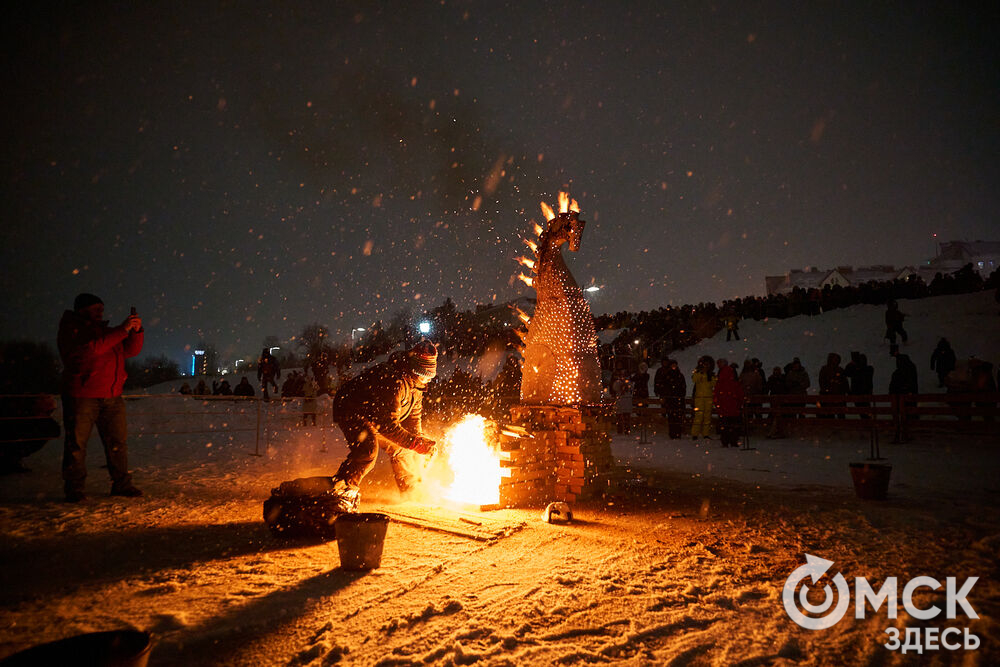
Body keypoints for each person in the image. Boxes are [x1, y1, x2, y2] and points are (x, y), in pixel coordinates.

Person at [327, 341, 439, 512]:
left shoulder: (417, 386)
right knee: (367, 451)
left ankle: (411, 491)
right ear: (415, 370)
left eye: (429, 376)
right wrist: (415, 443)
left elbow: (413, 418)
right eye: (424, 375)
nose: (427, 380)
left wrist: (419, 440)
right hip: (352, 409)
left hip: (376, 417)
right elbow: (387, 425)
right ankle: (342, 492)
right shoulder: (395, 380)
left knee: (403, 448)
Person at [57, 293, 144, 502]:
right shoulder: (72, 329)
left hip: (111, 395)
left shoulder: (105, 331)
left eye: (102, 309)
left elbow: (130, 351)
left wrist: (136, 331)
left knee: (117, 443)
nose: (101, 312)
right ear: (82, 309)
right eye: (96, 308)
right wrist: (121, 330)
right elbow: (90, 351)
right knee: (76, 445)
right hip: (82, 396)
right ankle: (74, 488)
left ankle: (121, 484)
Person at [713, 362, 745, 447]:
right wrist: (739, 404)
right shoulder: (735, 383)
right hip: (734, 409)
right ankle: (733, 441)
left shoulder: (720, 384)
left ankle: (725, 442)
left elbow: (715, 396)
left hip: (723, 410)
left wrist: (718, 406)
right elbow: (740, 395)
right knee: (734, 426)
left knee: (724, 426)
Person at [888, 353, 918, 443]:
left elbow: (894, 385)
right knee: (901, 416)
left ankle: (902, 434)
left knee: (902, 416)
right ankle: (902, 434)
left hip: (901, 397)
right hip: (900, 397)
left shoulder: (902, 372)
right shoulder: (902, 372)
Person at [654, 359, 686, 439]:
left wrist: (680, 395)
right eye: (672, 365)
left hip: (678, 399)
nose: (674, 367)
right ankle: (672, 433)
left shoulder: (680, 375)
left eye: (675, 365)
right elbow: (663, 386)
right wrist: (666, 395)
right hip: (670, 400)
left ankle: (678, 433)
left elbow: (683, 387)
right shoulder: (667, 375)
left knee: (677, 417)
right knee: (671, 417)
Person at [690, 355, 716, 440]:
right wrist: (701, 373)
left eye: (708, 364)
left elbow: (714, 384)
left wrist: (710, 378)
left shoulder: (711, 374)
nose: (706, 366)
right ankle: (695, 434)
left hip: (708, 397)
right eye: (705, 364)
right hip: (699, 397)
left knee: (707, 416)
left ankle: (706, 433)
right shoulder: (697, 372)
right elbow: (694, 379)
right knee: (698, 416)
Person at [818, 352, 849, 418]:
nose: (836, 361)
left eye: (837, 359)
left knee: (840, 414)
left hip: (838, 395)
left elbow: (845, 382)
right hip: (829, 396)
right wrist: (825, 390)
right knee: (830, 413)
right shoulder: (825, 369)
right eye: (835, 359)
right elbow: (821, 381)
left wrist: (846, 390)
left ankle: (839, 425)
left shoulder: (840, 370)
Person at [844, 352, 874, 418]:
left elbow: (847, 373)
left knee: (864, 410)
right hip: (861, 392)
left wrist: (852, 364)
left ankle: (867, 422)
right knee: (863, 410)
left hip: (861, 392)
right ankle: (866, 422)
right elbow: (846, 373)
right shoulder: (863, 369)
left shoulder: (866, 369)